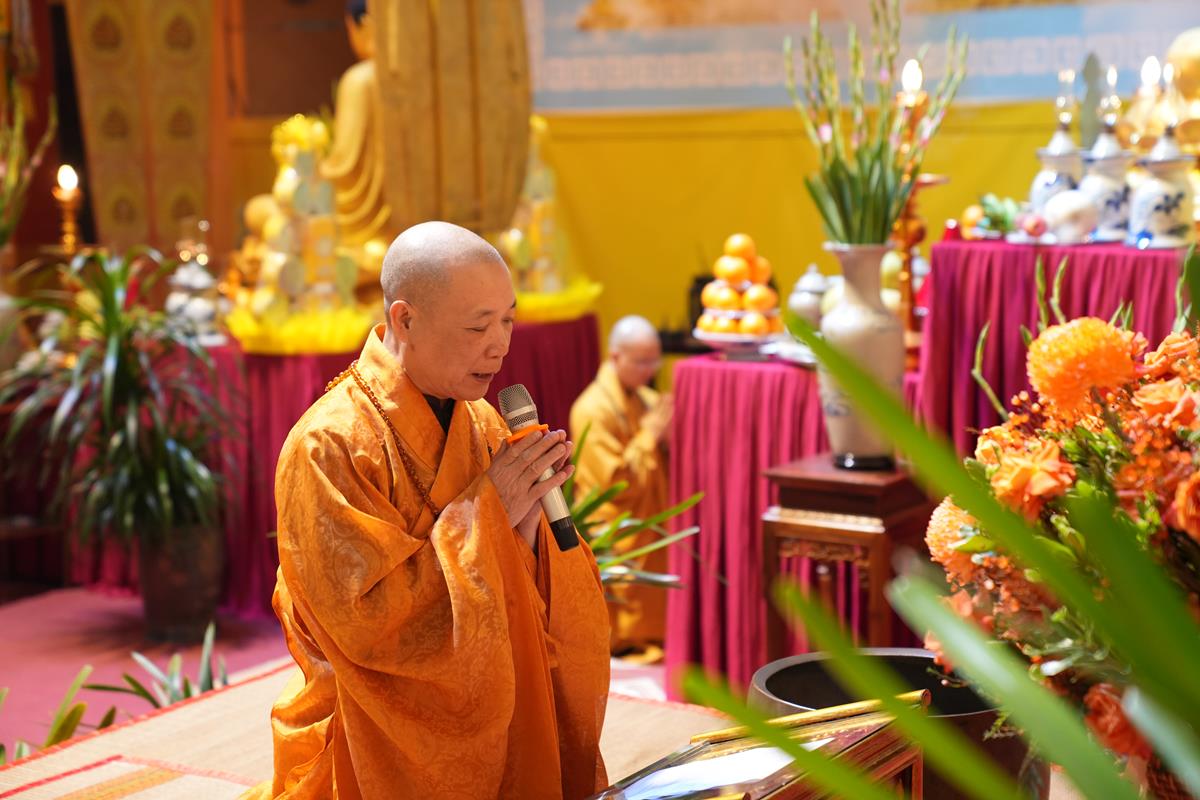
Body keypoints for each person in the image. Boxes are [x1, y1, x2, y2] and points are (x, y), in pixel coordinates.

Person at [244, 222, 611, 799]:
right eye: (478, 326)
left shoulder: (484, 422)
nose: (500, 344)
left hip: (503, 704)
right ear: (405, 319)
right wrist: (487, 515)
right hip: (372, 731)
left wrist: (525, 532)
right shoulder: (329, 446)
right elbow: (369, 627)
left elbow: (529, 596)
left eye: (508, 320)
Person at [569, 315, 671, 660]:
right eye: (641, 362)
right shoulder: (591, 409)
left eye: (654, 361)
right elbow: (614, 483)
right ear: (615, 357)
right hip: (615, 525)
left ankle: (649, 640)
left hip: (647, 519)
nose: (649, 370)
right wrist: (649, 436)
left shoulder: (645, 398)